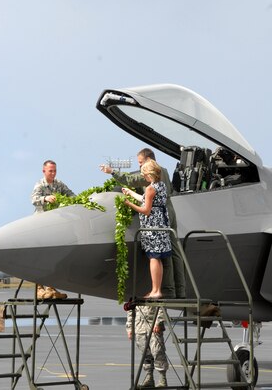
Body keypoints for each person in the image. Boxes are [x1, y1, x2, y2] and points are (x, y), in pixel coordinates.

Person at [100, 148, 186, 299]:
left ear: (148, 162)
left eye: (141, 163)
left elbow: (131, 181)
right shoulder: (163, 172)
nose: (140, 167)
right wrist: (133, 194)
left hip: (156, 220)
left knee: (158, 256)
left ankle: (166, 290)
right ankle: (180, 291)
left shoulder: (151, 181)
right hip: (168, 212)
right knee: (174, 253)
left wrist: (112, 172)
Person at [122, 159, 171, 299]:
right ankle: (157, 289)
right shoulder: (160, 185)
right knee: (159, 258)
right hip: (161, 224)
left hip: (152, 227)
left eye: (144, 174)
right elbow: (146, 199)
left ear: (149, 174)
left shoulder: (150, 188)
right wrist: (131, 193)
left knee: (154, 258)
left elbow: (146, 210)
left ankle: (156, 291)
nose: (143, 176)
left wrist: (128, 204)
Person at [31, 160, 76, 300]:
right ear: (44, 171)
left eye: (55, 170)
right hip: (41, 223)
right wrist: (45, 198)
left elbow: (71, 195)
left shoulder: (59, 184)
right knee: (41, 256)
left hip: (55, 225)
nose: (53, 173)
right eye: (50, 171)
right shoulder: (40, 184)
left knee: (54, 256)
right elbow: (33, 199)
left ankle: (51, 288)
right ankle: (39, 289)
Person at [126, 305, 168, 388]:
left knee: (157, 352)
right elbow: (130, 312)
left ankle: (162, 378)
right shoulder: (134, 296)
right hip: (140, 328)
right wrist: (130, 328)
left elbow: (161, 307)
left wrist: (158, 322)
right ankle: (149, 377)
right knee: (145, 355)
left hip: (153, 327)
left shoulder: (154, 293)